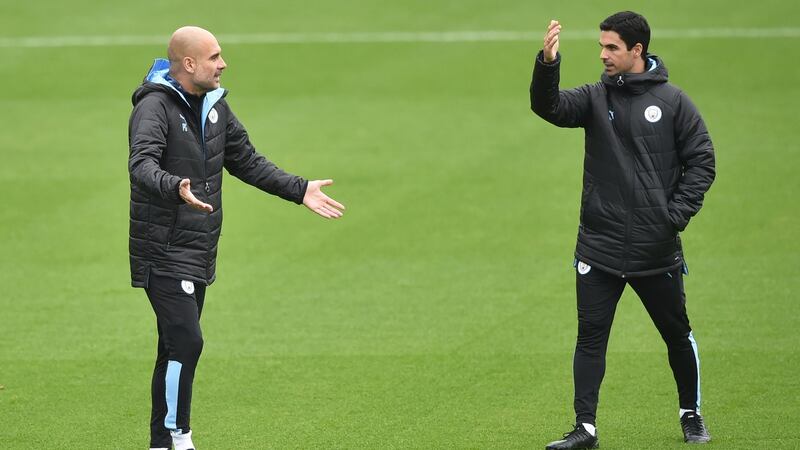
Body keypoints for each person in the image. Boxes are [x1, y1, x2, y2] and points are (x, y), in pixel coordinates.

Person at [128, 26, 345, 450]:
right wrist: (175, 187)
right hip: (163, 248)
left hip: (198, 247)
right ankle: (178, 437)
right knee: (187, 341)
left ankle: (160, 443)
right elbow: (141, 164)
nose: (223, 64)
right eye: (214, 57)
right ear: (189, 64)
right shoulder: (154, 107)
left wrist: (299, 189)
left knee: (173, 347)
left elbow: (246, 159)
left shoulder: (214, 107)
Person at [529, 11, 715, 449]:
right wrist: (548, 62)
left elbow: (702, 161)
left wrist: (673, 217)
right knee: (590, 339)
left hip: (655, 250)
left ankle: (691, 414)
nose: (603, 55)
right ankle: (585, 428)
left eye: (612, 47)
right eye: (601, 46)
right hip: (599, 246)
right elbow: (548, 107)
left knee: (676, 334)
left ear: (637, 50)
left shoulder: (673, 102)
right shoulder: (595, 98)